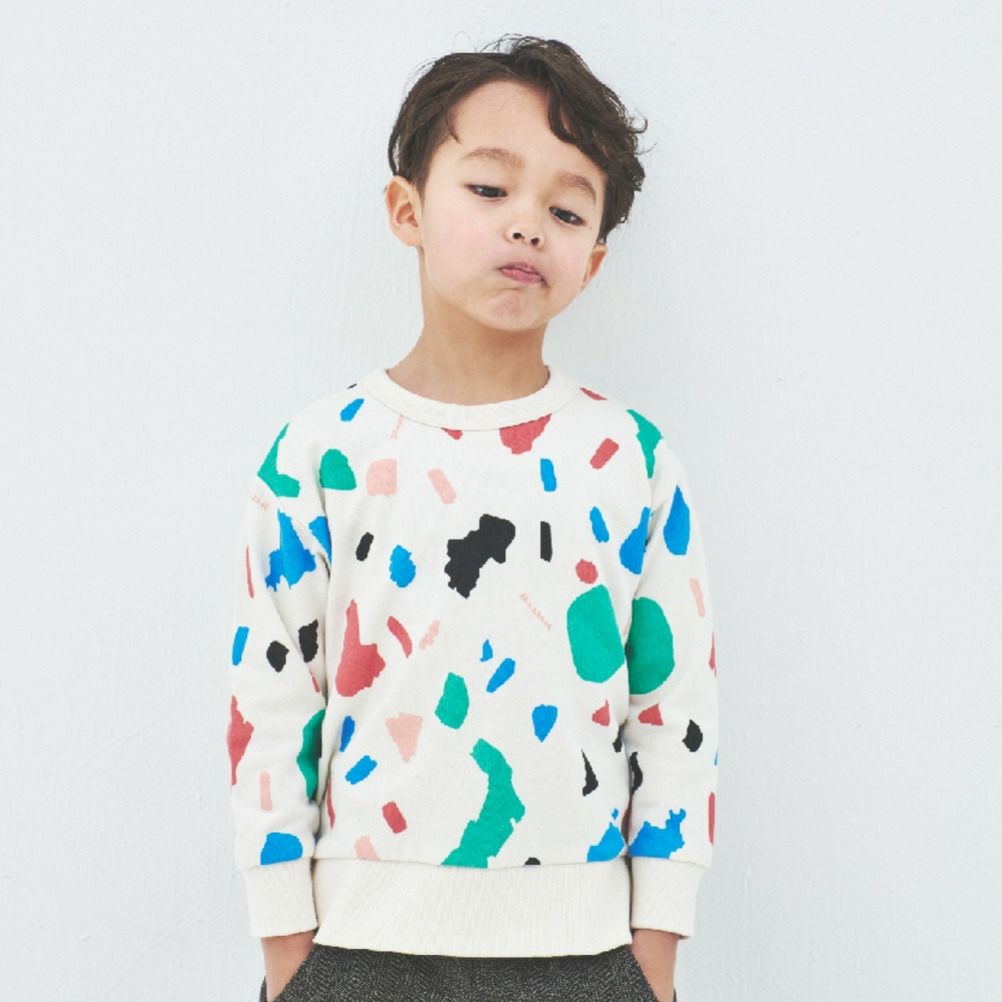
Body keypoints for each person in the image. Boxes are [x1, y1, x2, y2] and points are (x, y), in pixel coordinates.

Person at [226, 33, 718, 1002]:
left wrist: (656, 943)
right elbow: (271, 700)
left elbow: (677, 710)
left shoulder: (632, 460)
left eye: (566, 209)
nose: (527, 225)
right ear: (407, 210)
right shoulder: (319, 455)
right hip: (354, 946)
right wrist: (287, 943)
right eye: (490, 189)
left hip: (587, 951)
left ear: (594, 259)